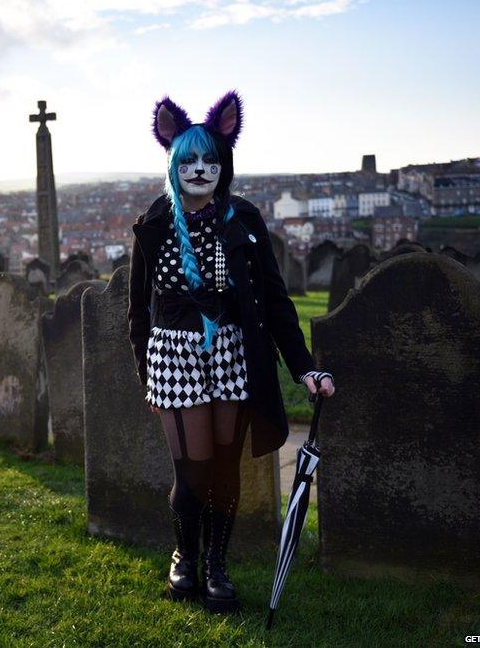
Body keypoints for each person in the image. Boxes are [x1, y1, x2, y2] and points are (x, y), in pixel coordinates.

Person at [128, 92, 335, 614]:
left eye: (210, 160)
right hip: (173, 356)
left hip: (232, 353)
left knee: (225, 468)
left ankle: (216, 565)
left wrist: (305, 367)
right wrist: (145, 377)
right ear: (173, 164)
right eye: (189, 160)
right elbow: (137, 312)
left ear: (224, 166)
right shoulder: (153, 225)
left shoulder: (243, 219)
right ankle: (185, 555)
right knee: (193, 470)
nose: (199, 170)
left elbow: (274, 297)